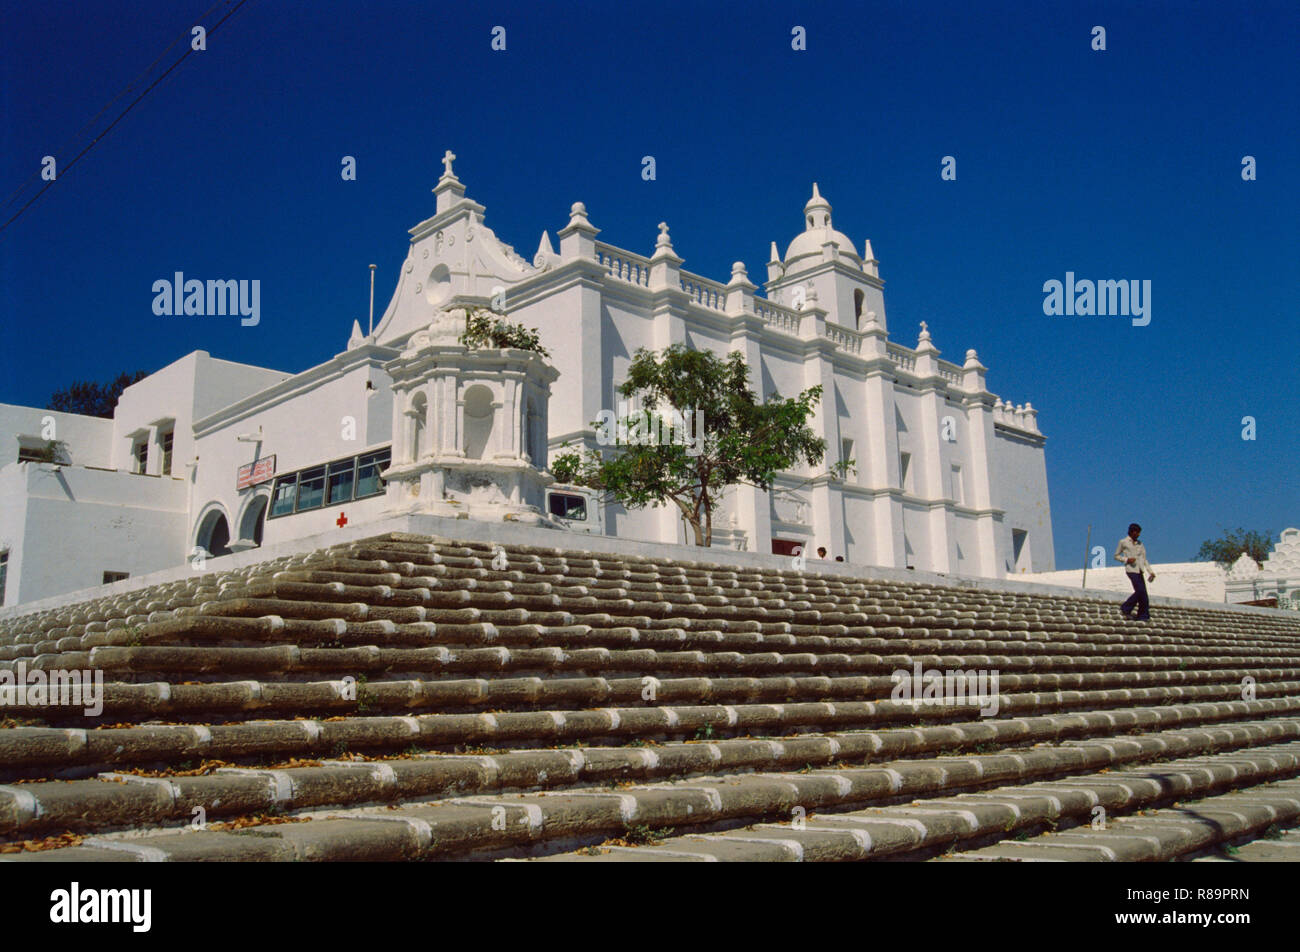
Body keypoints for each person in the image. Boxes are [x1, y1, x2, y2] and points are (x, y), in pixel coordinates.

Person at [1115, 523, 1156, 621]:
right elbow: (1116, 555)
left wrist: (1150, 571)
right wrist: (1126, 560)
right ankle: (1125, 608)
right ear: (1131, 532)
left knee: (1144, 594)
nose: (1138, 535)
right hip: (1131, 570)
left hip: (1140, 570)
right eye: (1136, 532)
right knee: (1140, 591)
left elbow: (1144, 559)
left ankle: (1143, 616)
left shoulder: (1140, 544)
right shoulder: (1123, 542)